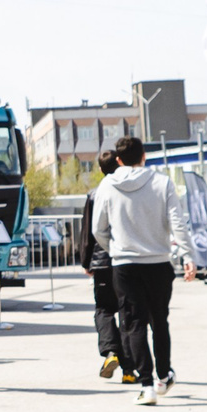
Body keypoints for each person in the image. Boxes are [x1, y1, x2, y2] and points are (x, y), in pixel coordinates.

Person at [93, 136, 193, 405]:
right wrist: (187, 255)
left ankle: (146, 385)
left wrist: (115, 248)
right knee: (159, 320)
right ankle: (164, 375)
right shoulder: (162, 183)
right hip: (158, 262)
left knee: (133, 323)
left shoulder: (107, 185)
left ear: (118, 160)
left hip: (124, 264)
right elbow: (177, 222)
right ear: (144, 156)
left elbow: (98, 229)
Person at [79, 149, 124, 380]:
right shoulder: (127, 191)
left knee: (104, 309)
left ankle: (111, 352)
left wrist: (86, 261)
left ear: (99, 169)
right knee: (127, 312)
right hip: (125, 259)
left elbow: (89, 231)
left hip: (101, 261)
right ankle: (130, 370)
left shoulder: (95, 194)